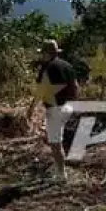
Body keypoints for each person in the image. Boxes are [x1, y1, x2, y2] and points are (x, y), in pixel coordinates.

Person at [36, 39, 78, 181]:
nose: (42, 56)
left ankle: (61, 174)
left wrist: (31, 109)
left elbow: (40, 90)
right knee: (58, 138)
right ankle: (61, 166)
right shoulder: (68, 66)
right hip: (68, 107)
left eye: (43, 53)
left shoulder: (46, 68)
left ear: (47, 53)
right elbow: (76, 87)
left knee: (55, 144)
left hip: (55, 109)